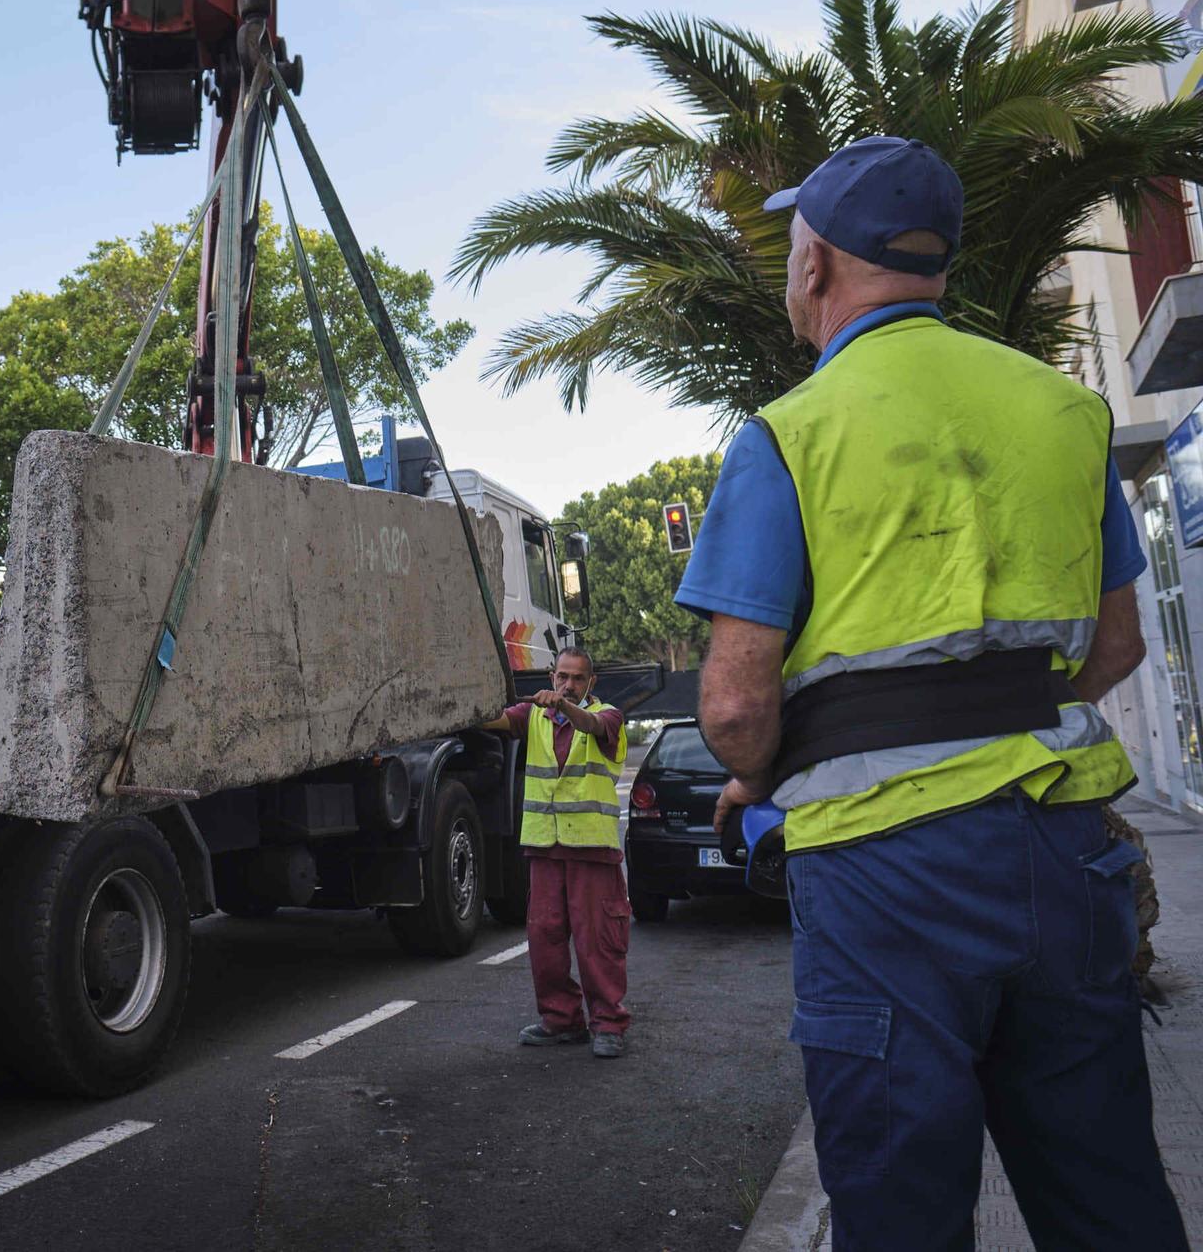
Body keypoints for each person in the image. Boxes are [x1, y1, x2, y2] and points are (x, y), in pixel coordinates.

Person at [676, 135, 1184, 1248]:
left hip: (883, 873)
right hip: (1064, 850)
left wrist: (755, 776)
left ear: (814, 267)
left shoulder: (788, 435)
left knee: (900, 1206)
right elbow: (1112, 647)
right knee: (1104, 1189)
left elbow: (730, 707)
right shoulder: (1062, 411)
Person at [485, 646, 631, 1059]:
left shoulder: (609, 715)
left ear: (591, 683)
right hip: (545, 848)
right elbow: (490, 718)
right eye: (562, 676)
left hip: (591, 850)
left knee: (597, 941)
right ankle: (561, 1020)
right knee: (544, 937)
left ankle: (609, 1023)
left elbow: (592, 724)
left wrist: (566, 705)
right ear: (551, 676)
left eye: (578, 678)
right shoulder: (532, 715)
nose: (568, 684)